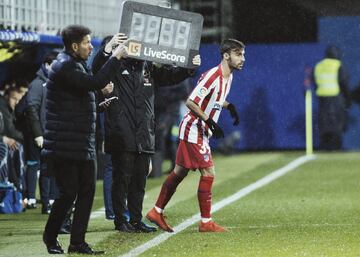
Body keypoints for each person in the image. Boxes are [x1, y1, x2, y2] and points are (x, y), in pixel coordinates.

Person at [92, 33, 201, 233]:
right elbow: (97, 68)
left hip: (144, 132)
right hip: (121, 132)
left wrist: (189, 68)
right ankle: (121, 219)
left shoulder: (147, 68)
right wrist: (109, 49)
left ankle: (135, 219)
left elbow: (171, 77)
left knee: (139, 180)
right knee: (122, 179)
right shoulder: (114, 66)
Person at [42, 24, 126, 255]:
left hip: (81, 143)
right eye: (88, 42)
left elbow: (80, 98)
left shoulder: (75, 64)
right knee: (69, 193)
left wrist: (97, 107)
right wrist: (116, 57)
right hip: (64, 144)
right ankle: (50, 237)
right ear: (74, 45)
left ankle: (77, 242)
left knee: (87, 192)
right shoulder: (64, 67)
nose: (91, 46)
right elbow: (95, 82)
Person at [146, 38, 245, 233]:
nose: (243, 59)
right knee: (209, 173)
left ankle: (156, 211)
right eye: (238, 54)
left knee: (179, 172)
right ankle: (206, 222)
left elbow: (215, 98)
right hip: (194, 129)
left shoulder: (229, 77)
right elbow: (191, 102)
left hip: (200, 130)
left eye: (243, 55)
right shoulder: (213, 76)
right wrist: (209, 121)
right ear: (226, 56)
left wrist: (228, 106)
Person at [23, 52, 58, 212]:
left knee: (51, 167)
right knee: (42, 166)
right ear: (46, 65)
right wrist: (38, 133)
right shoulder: (37, 84)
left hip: (53, 133)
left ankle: (50, 200)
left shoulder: (55, 82)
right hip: (41, 134)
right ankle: (42, 201)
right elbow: (32, 109)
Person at [313, 45, 351, 150]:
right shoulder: (338, 65)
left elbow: (314, 80)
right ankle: (336, 146)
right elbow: (344, 82)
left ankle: (325, 145)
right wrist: (348, 99)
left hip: (322, 98)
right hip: (336, 97)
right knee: (336, 122)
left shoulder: (319, 66)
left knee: (324, 122)